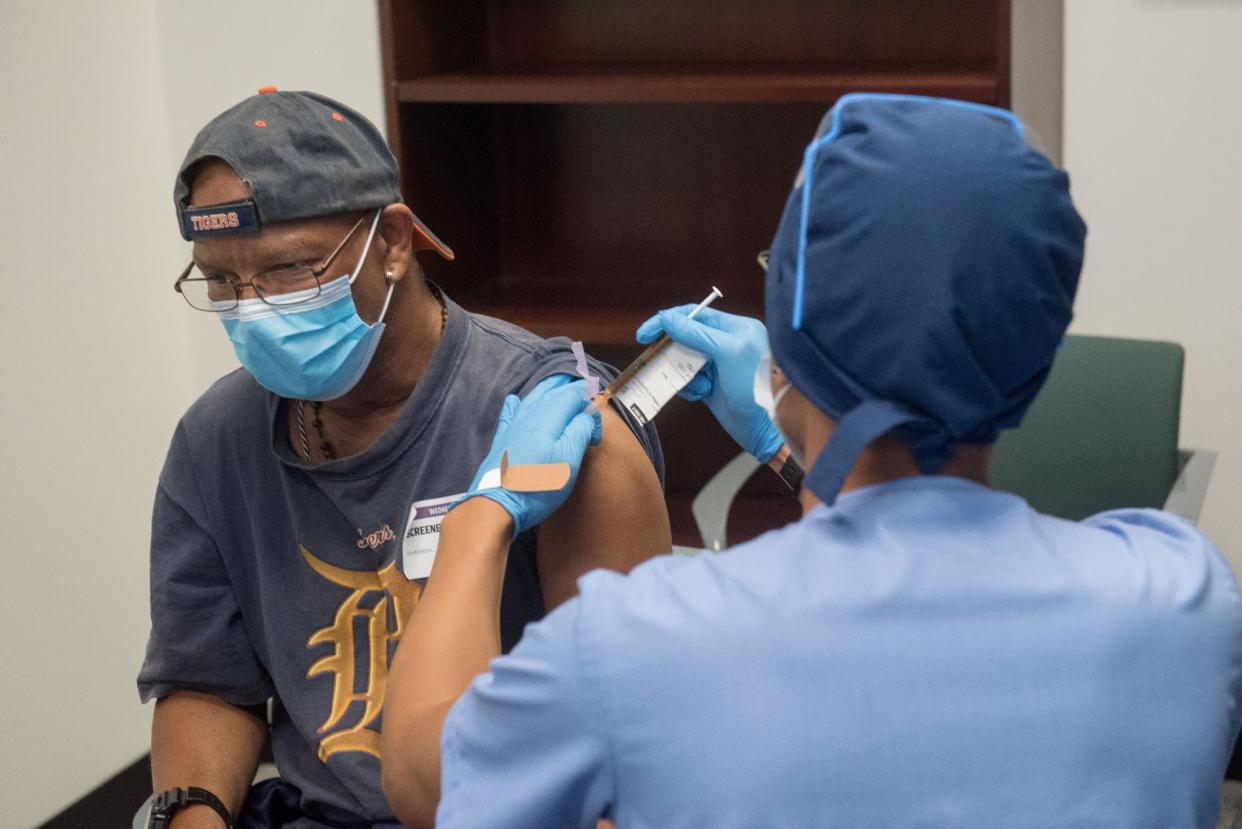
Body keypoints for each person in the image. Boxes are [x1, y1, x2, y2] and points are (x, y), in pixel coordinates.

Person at [381, 94, 1242, 828]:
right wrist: (790, 438)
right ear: (1039, 341)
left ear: (792, 330)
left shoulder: (639, 646)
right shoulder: (1178, 596)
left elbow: (427, 774)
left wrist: (481, 516)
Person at [135, 88, 671, 829]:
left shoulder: (554, 423)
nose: (253, 310)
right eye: (222, 282)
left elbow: (627, 739)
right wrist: (190, 813)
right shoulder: (216, 440)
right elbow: (207, 680)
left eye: (289, 272)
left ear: (392, 242)